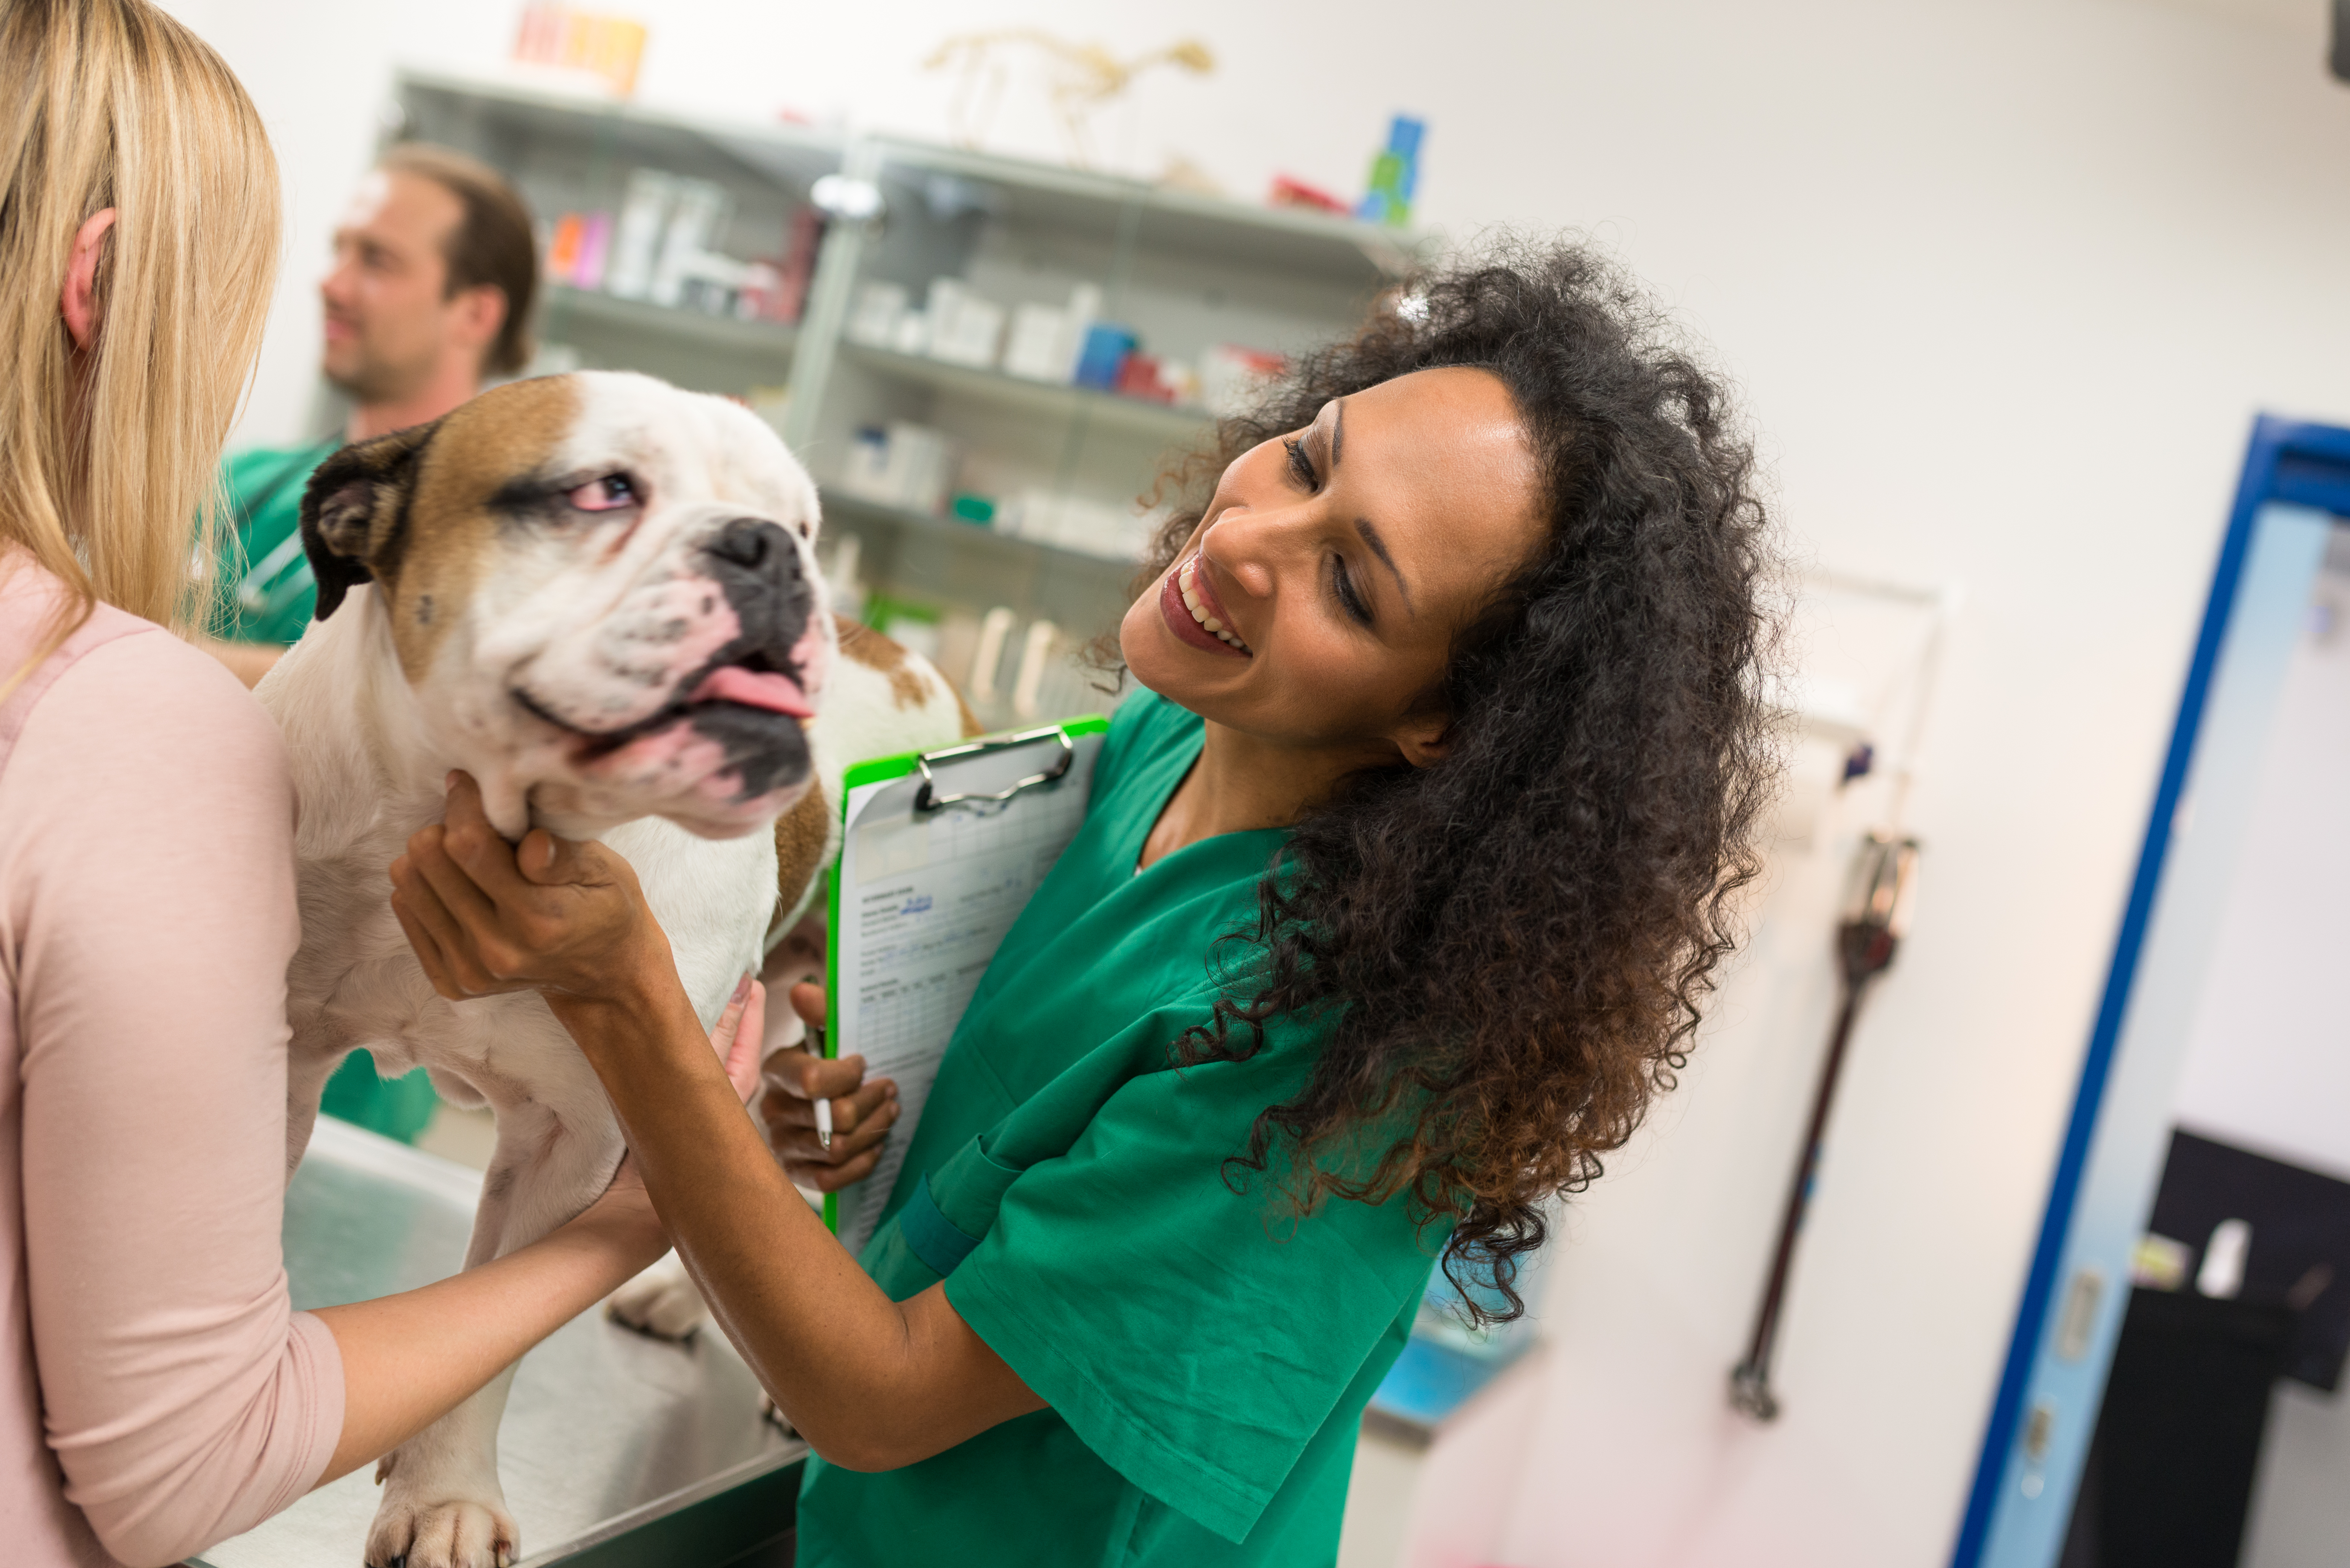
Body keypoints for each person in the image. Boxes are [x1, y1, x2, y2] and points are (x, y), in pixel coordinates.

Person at [391, 240, 1779, 1567]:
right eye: (1305, 459)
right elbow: (992, 1125)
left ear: (1442, 721)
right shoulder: (1166, 746)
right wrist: (839, 1112)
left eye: (1350, 582)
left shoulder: (1335, 1058)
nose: (1249, 539)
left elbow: (879, 1399)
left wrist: (628, 993)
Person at [0, 5, 752, 1564]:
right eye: (247, 289)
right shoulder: (145, 718)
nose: (286, 322)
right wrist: (626, 1224)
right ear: (100, 285)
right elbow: (179, 1469)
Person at [204, 142, 539, 1145]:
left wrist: (150, 661)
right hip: (158, 973)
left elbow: (427, 729)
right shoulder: (254, 483)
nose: (333, 280)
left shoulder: (500, 546)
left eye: (379, 260)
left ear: (474, 311)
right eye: (341, 248)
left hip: (335, 1059)